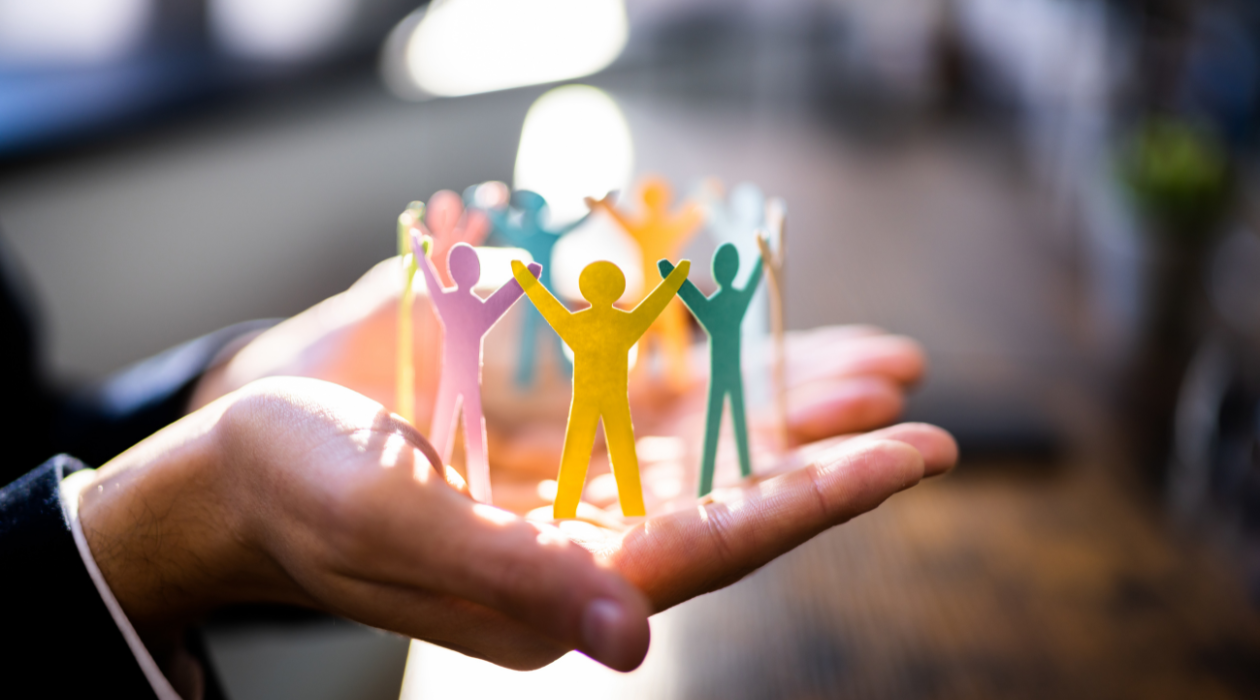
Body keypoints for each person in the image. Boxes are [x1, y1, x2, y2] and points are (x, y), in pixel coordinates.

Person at [1, 239, 957, 699]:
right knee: (567, 438)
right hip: (489, 394)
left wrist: (215, 398)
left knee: (597, 445)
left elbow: (20, 422)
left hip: (534, 399)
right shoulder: (577, 319)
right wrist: (123, 541)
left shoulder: (587, 322)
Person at [511, 258, 690, 518]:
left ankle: (567, 508)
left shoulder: (577, 324)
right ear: (617, 288)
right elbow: (653, 307)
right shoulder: (624, 324)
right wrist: (674, 280)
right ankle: (631, 509)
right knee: (621, 451)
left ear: (585, 288)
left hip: (587, 398)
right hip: (613, 398)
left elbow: (548, 307)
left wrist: (527, 282)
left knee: (579, 451)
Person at [660, 245, 763, 496]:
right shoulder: (737, 300)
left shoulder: (714, 306)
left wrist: (672, 277)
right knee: (736, 421)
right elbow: (752, 283)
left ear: (717, 272)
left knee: (714, 425)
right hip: (732, 374)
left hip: (720, 375)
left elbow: (691, 296)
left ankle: (708, 482)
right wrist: (762, 258)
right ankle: (742, 469)